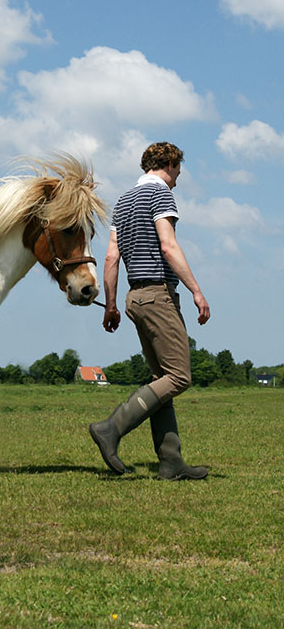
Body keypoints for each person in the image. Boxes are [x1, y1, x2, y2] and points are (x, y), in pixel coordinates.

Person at [89, 141, 210, 480]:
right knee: (179, 377)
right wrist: (196, 291)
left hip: (134, 299)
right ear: (169, 165)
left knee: (162, 378)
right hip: (158, 294)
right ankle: (112, 427)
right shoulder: (160, 195)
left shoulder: (123, 201)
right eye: (178, 173)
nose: (177, 180)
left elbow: (112, 257)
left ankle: (171, 462)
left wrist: (111, 305)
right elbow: (168, 246)